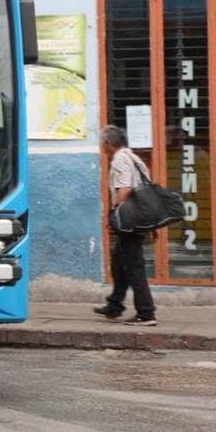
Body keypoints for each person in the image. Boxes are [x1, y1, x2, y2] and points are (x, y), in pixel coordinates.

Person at [94, 125, 158, 326]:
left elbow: (124, 189)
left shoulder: (121, 159)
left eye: (101, 143)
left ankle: (146, 313)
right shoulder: (135, 158)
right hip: (138, 218)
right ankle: (115, 305)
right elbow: (147, 192)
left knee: (133, 266)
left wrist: (113, 215)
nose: (101, 148)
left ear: (108, 144)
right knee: (119, 262)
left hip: (129, 220)